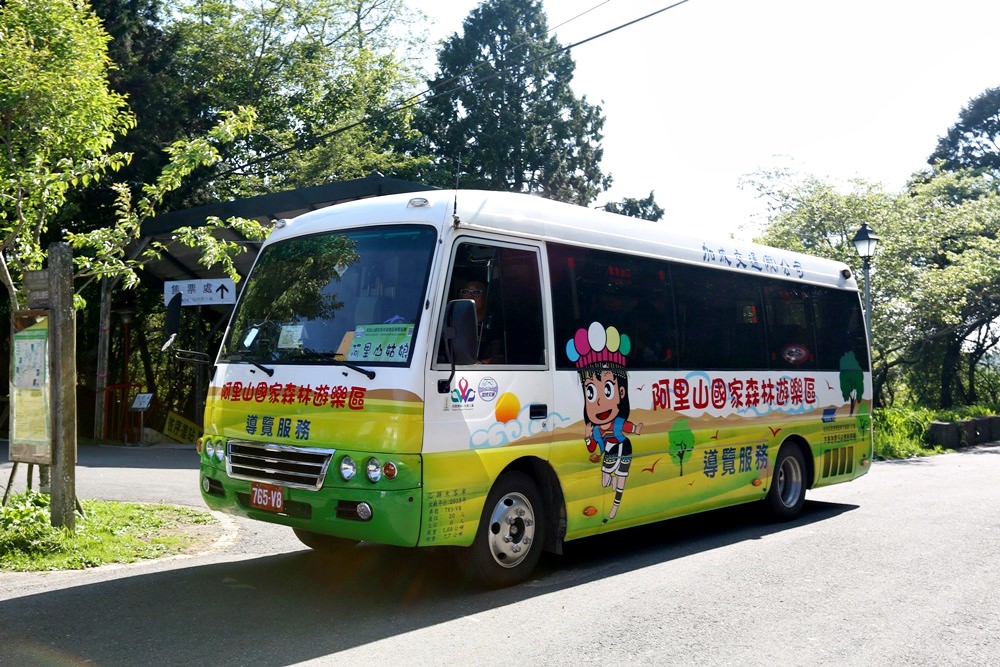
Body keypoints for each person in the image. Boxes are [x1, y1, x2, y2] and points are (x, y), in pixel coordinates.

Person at [459, 279, 504, 364]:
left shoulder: (496, 325)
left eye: (476, 292)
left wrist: (483, 363)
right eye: (466, 292)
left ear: (488, 297)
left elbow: (502, 357)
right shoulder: (454, 322)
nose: (469, 297)